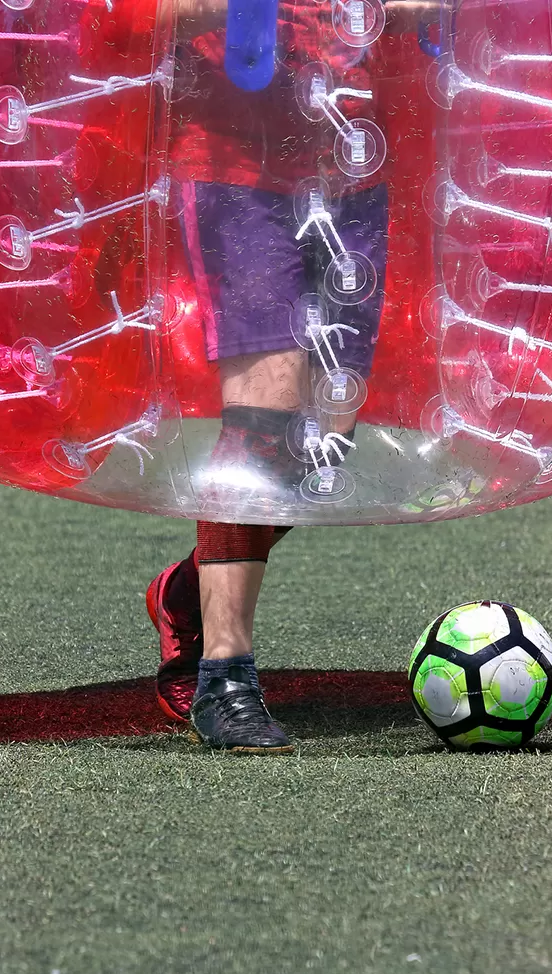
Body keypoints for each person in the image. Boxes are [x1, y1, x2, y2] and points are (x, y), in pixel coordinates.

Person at [146, 0, 391, 752]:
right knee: (264, 413)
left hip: (354, 155)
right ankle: (226, 676)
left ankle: (188, 587)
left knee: (325, 435)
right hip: (230, 158)